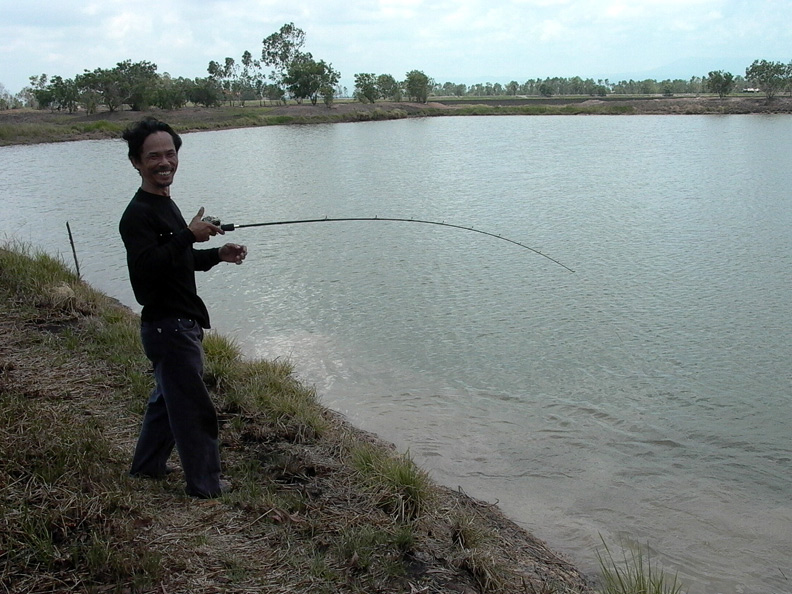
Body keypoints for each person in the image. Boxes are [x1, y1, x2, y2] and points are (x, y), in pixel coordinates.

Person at [119, 117, 247, 498]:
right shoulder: (137, 214)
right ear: (136, 162)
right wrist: (187, 235)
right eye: (153, 156)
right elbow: (145, 272)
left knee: (166, 403)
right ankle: (205, 486)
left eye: (170, 154)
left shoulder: (165, 205)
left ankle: (146, 469)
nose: (164, 162)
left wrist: (215, 255)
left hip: (178, 323)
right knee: (193, 410)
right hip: (167, 327)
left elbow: (176, 259)